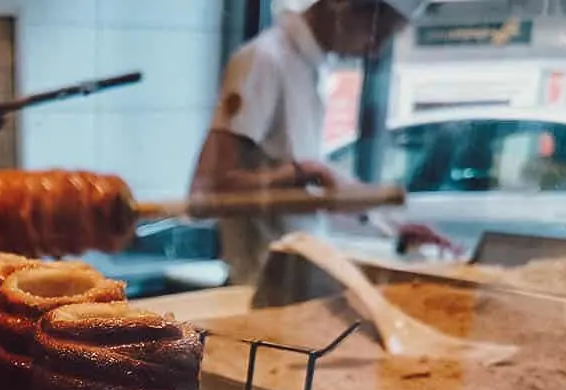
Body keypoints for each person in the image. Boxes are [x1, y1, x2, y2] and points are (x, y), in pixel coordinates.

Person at [189, 0, 455, 284]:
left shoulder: (308, 66)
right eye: (378, 32)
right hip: (258, 286)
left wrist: (392, 228)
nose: (375, 48)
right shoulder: (265, 59)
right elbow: (204, 196)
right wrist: (305, 171)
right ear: (346, 7)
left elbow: (310, 192)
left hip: (295, 283)